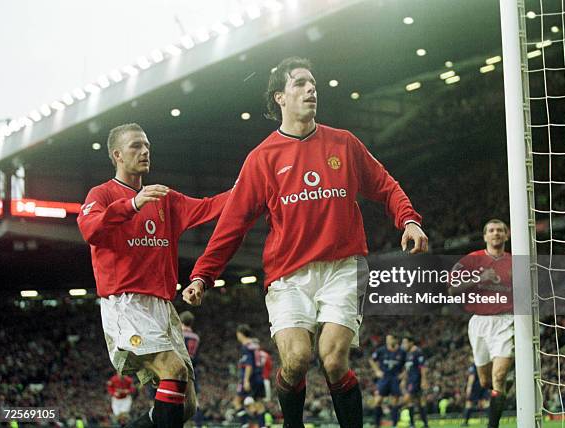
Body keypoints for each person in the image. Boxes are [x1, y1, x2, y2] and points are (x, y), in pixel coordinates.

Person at [183, 57, 427, 428]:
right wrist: (203, 275)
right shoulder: (262, 159)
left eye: (313, 83)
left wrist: (408, 220)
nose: (311, 89)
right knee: (296, 359)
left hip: (344, 267)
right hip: (289, 274)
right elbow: (232, 225)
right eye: (300, 83)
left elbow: (385, 185)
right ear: (280, 96)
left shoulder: (344, 143)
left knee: (332, 359)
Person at [77, 123, 229, 428]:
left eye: (146, 145)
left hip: (162, 305)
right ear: (117, 155)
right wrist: (132, 204)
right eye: (136, 146)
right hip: (127, 303)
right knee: (173, 370)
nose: (145, 151)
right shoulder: (103, 194)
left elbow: (210, 208)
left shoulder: (165, 198)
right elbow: (90, 229)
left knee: (186, 405)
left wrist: (247, 186)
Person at [450, 219, 513, 428]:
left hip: (506, 320)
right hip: (479, 323)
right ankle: (502, 388)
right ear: (485, 236)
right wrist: (479, 278)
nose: (496, 234)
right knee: (486, 381)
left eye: (500, 230)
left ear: (507, 235)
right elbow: (452, 289)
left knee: (499, 375)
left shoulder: (515, 262)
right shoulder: (471, 260)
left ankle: (492, 426)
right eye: (492, 231)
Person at [368, 334, 407, 427]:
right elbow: (371, 359)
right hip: (384, 378)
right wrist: (377, 371)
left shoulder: (402, 352)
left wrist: (403, 375)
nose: (387, 341)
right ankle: (377, 424)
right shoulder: (381, 350)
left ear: (395, 340)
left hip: (395, 379)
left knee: (395, 401)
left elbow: (407, 364)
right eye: (387, 339)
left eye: (389, 339)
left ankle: (394, 424)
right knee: (378, 401)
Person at [235, 324, 267, 427]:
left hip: (251, 377)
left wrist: (246, 380)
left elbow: (249, 365)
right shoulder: (255, 345)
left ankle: (244, 425)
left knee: (237, 402)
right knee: (259, 405)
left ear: (240, 334)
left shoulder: (246, 346)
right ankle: (262, 426)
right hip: (259, 376)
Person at [179, 311, 204, 427]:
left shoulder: (178, 334)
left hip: (179, 368)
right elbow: (197, 355)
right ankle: (198, 424)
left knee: (177, 398)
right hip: (192, 369)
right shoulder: (196, 337)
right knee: (194, 399)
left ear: (180, 321)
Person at [401, 335, 429, 428]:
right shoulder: (408, 354)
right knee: (417, 401)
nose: (403, 345)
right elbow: (407, 368)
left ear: (411, 342)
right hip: (410, 380)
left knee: (408, 399)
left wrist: (424, 380)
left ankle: (415, 423)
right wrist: (404, 380)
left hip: (416, 380)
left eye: (405, 342)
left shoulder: (418, 352)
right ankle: (418, 424)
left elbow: (422, 367)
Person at [461, 359, 489, 426]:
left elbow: (472, 377)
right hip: (483, 384)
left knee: (469, 403)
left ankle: (465, 422)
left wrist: (469, 387)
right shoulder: (484, 364)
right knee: (485, 403)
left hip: (475, 386)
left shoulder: (474, 366)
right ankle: (491, 421)